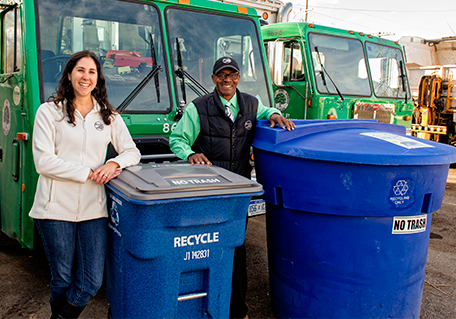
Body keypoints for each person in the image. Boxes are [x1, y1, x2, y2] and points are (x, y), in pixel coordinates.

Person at [169, 56, 295, 319]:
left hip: (237, 194)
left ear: (238, 78)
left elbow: (266, 111)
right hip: (207, 192)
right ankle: (202, 307)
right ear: (214, 79)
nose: (227, 80)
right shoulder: (198, 108)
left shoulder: (250, 103)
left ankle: (238, 311)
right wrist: (190, 154)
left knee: (236, 249)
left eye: (232, 75)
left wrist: (275, 114)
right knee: (205, 248)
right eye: (222, 75)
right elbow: (177, 139)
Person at [29, 50, 141, 319]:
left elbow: (132, 152)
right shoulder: (49, 112)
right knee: (62, 277)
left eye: (92, 72)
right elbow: (43, 162)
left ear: (98, 79)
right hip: (54, 209)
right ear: (69, 74)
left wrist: (114, 164)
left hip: (93, 209)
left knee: (91, 280)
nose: (86, 77)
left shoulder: (107, 116)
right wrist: (89, 172)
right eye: (80, 70)